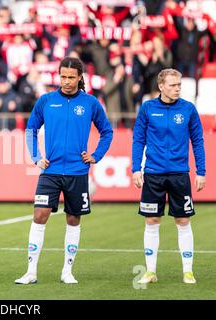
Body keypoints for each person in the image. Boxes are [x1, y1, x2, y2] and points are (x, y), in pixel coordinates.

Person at [15, 57, 113, 285]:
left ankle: (67, 271)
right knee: (39, 215)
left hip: (78, 173)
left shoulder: (90, 103)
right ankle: (31, 272)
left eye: (71, 77)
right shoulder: (46, 101)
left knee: (73, 219)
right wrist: (37, 157)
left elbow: (107, 132)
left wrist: (96, 156)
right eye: (63, 77)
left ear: (80, 78)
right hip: (50, 172)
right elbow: (30, 129)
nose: (67, 81)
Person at [132, 68, 206, 285]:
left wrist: (201, 171)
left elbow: (198, 142)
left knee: (183, 221)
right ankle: (150, 271)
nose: (177, 89)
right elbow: (138, 140)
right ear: (161, 86)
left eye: (179, 85)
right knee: (152, 220)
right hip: (153, 174)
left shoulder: (189, 109)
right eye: (173, 85)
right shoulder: (147, 108)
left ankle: (188, 271)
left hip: (179, 174)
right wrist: (136, 168)